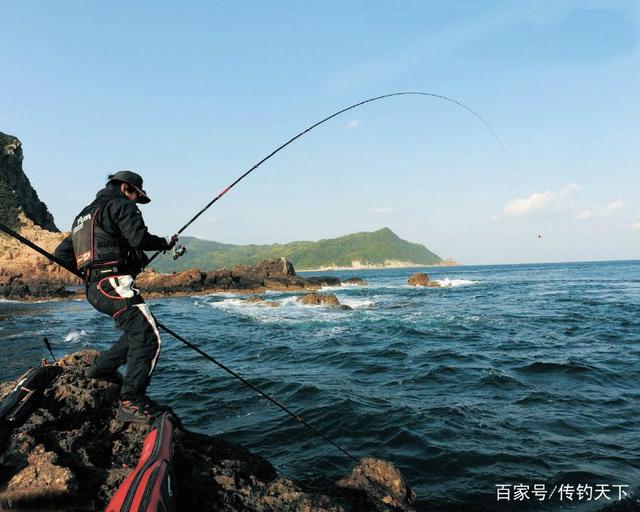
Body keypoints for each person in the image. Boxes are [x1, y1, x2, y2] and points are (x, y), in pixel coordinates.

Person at [55, 171, 177, 424]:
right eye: (135, 195)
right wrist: (165, 242)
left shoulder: (82, 217)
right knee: (148, 337)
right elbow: (138, 238)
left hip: (94, 289)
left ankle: (100, 369)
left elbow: (62, 255)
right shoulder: (120, 205)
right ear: (125, 188)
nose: (134, 201)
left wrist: (92, 270)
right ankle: (131, 401)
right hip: (113, 284)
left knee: (136, 331)